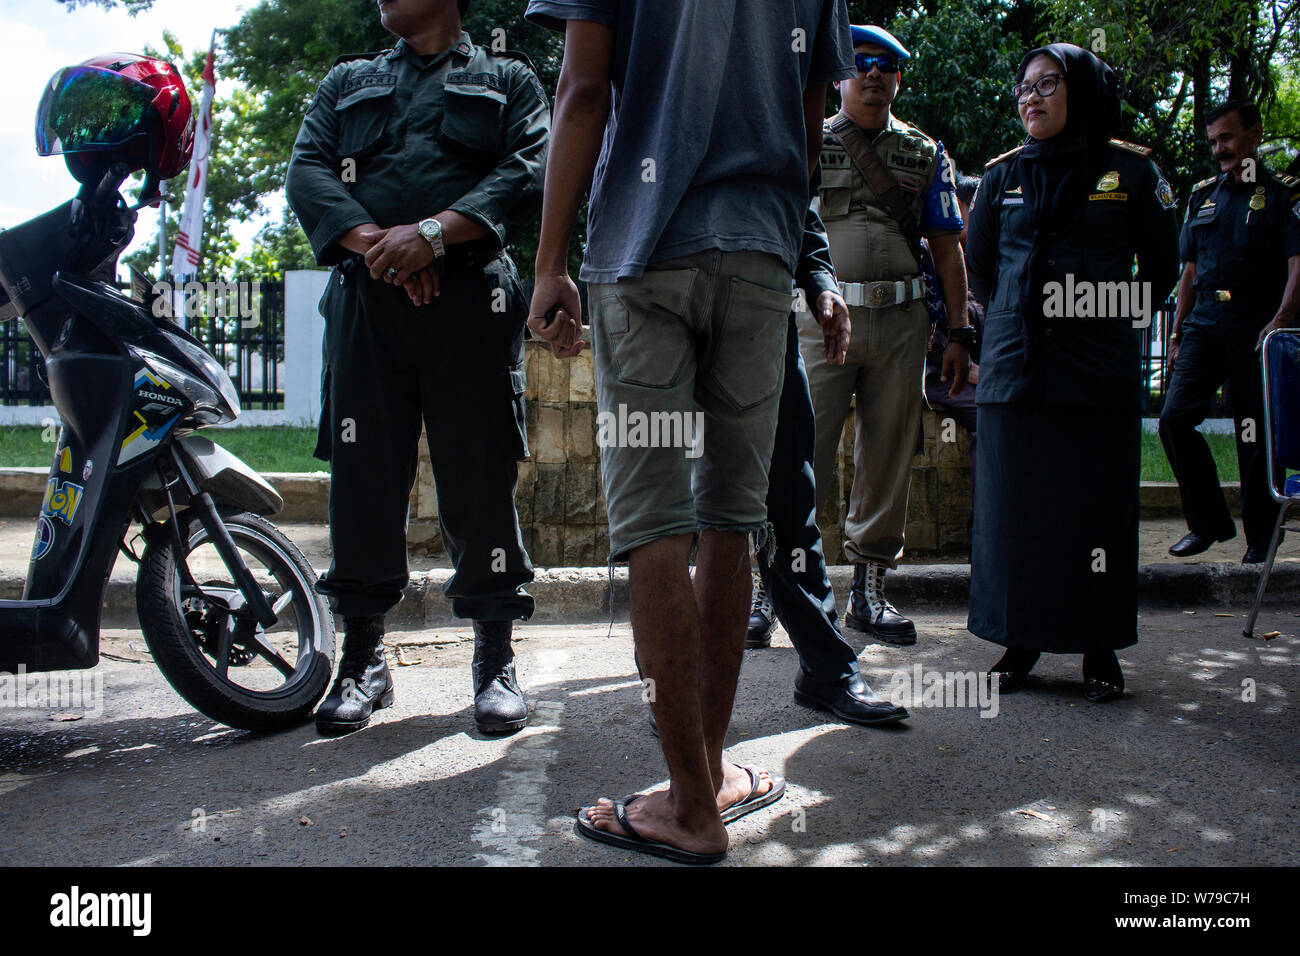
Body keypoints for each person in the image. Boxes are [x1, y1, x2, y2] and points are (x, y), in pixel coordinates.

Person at [524, 0, 855, 864]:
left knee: (654, 527)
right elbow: (809, 110)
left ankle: (695, 809)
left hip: (644, 248)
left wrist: (550, 262)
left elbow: (584, 87)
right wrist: (792, 246)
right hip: (758, 253)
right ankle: (703, 776)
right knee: (731, 518)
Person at [285, 0, 550, 736]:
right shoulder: (346, 82)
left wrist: (433, 236)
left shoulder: (507, 77)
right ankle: (364, 660)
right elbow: (307, 172)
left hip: (472, 300)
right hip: (368, 302)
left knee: (478, 474)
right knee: (364, 475)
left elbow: (530, 168)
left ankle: (493, 659)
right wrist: (385, 246)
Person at [965, 43, 1179, 702]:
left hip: (1096, 371)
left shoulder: (1132, 172)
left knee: (1094, 510)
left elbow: (1163, 269)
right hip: (1016, 368)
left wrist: (1094, 310)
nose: (1031, 96)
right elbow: (983, 267)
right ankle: (1018, 637)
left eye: (1048, 84)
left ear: (1081, 90)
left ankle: (1099, 645)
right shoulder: (1003, 178)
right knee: (1017, 511)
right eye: (1024, 86)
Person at [797, 24, 973, 648]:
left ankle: (868, 594)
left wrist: (959, 332)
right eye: (861, 63)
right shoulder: (807, 138)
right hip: (818, 324)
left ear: (899, 78)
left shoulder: (925, 153)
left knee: (887, 457)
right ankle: (774, 591)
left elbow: (948, 250)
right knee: (794, 457)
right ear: (841, 74)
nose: (873, 74)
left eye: (886, 66)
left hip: (901, 323)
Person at [746, 166, 910, 727]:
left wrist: (820, 282)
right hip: (671, 307)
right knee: (681, 510)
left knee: (790, 499)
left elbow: (799, 202)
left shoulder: (778, 93)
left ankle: (826, 668)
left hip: (765, 314)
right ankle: (673, 684)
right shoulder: (661, 84)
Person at [1159, 99, 1300, 565]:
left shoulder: (1284, 195)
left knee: (1253, 432)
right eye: (1213, 140)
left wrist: (1280, 321)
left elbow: (1297, 264)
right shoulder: (1203, 196)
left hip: (1256, 326)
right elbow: (1188, 273)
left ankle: (1261, 536)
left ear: (1254, 135)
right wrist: (1177, 335)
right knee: (1174, 419)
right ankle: (1209, 523)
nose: (1219, 149)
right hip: (1204, 323)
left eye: (1228, 138)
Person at [921, 173, 983, 503]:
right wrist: (972, 368)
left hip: (979, 375)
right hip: (942, 378)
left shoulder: (981, 260)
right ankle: (983, 532)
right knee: (990, 421)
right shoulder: (930, 255)